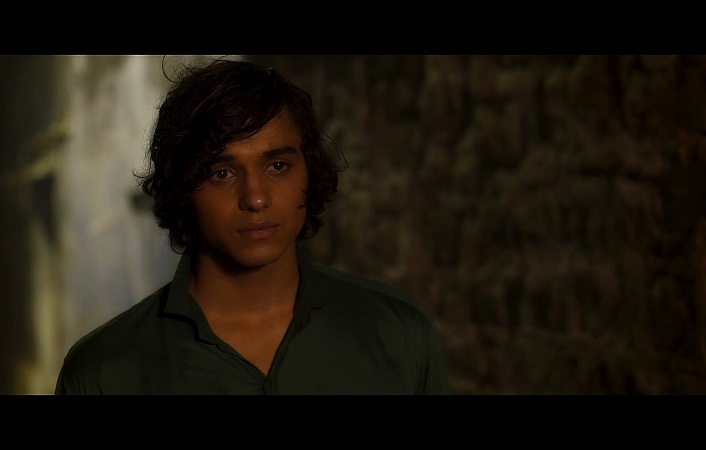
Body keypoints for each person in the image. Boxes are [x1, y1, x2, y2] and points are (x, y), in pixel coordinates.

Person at [54, 57, 451, 395]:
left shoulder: (398, 334)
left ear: (309, 172)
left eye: (277, 166)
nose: (256, 198)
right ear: (184, 189)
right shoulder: (104, 371)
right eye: (222, 173)